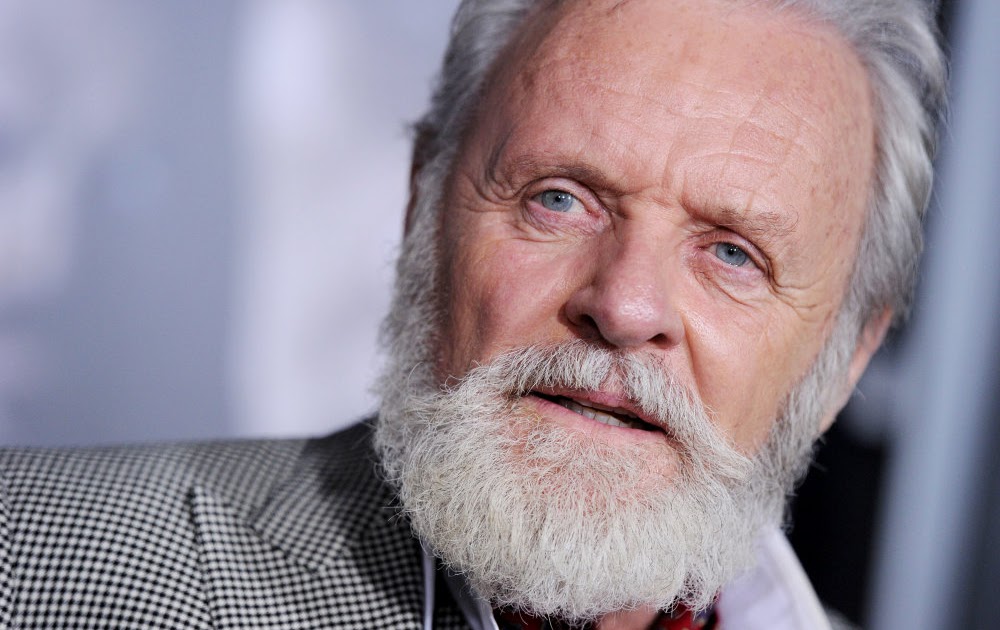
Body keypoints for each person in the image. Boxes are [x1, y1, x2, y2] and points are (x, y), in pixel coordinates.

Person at [0, 0, 946, 628]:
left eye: (733, 254)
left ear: (847, 358)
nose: (624, 305)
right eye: (560, 200)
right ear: (424, 205)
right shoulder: (41, 565)